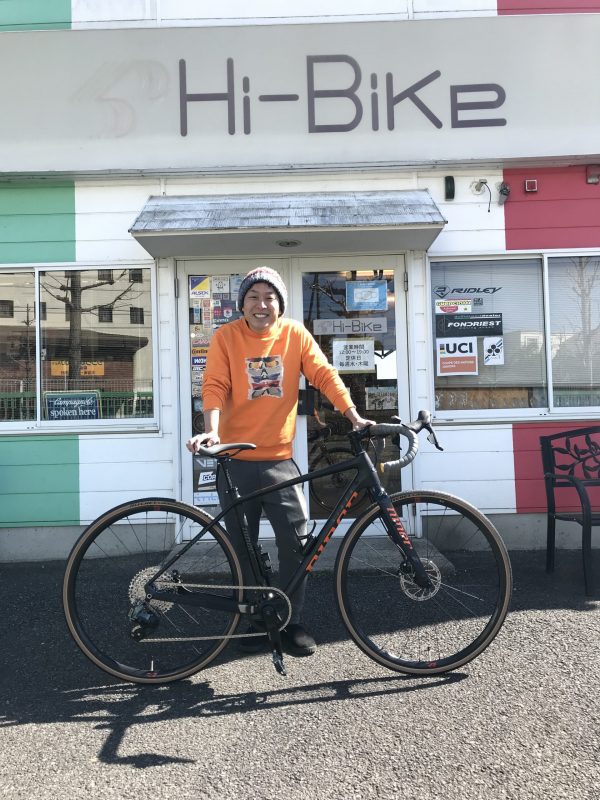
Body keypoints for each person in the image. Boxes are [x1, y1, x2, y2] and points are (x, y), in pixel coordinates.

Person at [186, 266, 373, 657]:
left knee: (297, 545)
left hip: (279, 461)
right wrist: (212, 430)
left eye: (269, 298)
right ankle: (257, 620)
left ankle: (290, 620)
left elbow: (324, 374)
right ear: (242, 304)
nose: (261, 305)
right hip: (235, 461)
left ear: (280, 305)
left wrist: (353, 415)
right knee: (243, 550)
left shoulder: (295, 335)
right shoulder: (226, 337)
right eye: (253, 297)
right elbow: (215, 384)